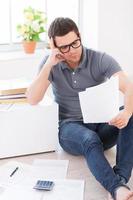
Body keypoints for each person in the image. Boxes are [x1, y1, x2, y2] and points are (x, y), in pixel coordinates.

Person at [26, 17, 133, 200]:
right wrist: (49, 63)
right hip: (71, 129)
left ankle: (121, 177)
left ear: (79, 36)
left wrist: (127, 112)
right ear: (54, 46)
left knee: (131, 113)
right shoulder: (50, 63)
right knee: (89, 139)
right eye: (64, 47)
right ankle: (116, 188)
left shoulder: (99, 58)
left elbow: (129, 86)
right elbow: (32, 99)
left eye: (75, 43)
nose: (72, 51)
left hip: (102, 124)